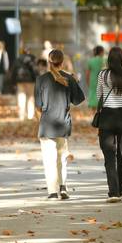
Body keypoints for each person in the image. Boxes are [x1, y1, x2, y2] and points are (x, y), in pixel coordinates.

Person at [35, 49, 85, 200]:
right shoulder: (69, 78)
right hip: (63, 123)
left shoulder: (41, 80)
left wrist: (41, 119)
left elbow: (38, 106)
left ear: (49, 62)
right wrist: (75, 81)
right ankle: (63, 187)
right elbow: (78, 100)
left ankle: (51, 191)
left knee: (48, 159)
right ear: (62, 62)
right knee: (61, 157)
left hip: (46, 123)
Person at [96, 47, 122, 203]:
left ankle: (113, 192)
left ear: (109, 59)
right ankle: (121, 190)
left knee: (109, 157)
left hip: (107, 117)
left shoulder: (103, 75)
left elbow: (100, 95)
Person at [11, 48, 38, 121]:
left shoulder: (17, 59)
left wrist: (13, 82)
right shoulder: (33, 59)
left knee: (21, 97)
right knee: (30, 97)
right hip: (31, 81)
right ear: (29, 52)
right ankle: (30, 115)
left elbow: (13, 71)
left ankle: (21, 116)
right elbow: (35, 71)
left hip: (20, 80)